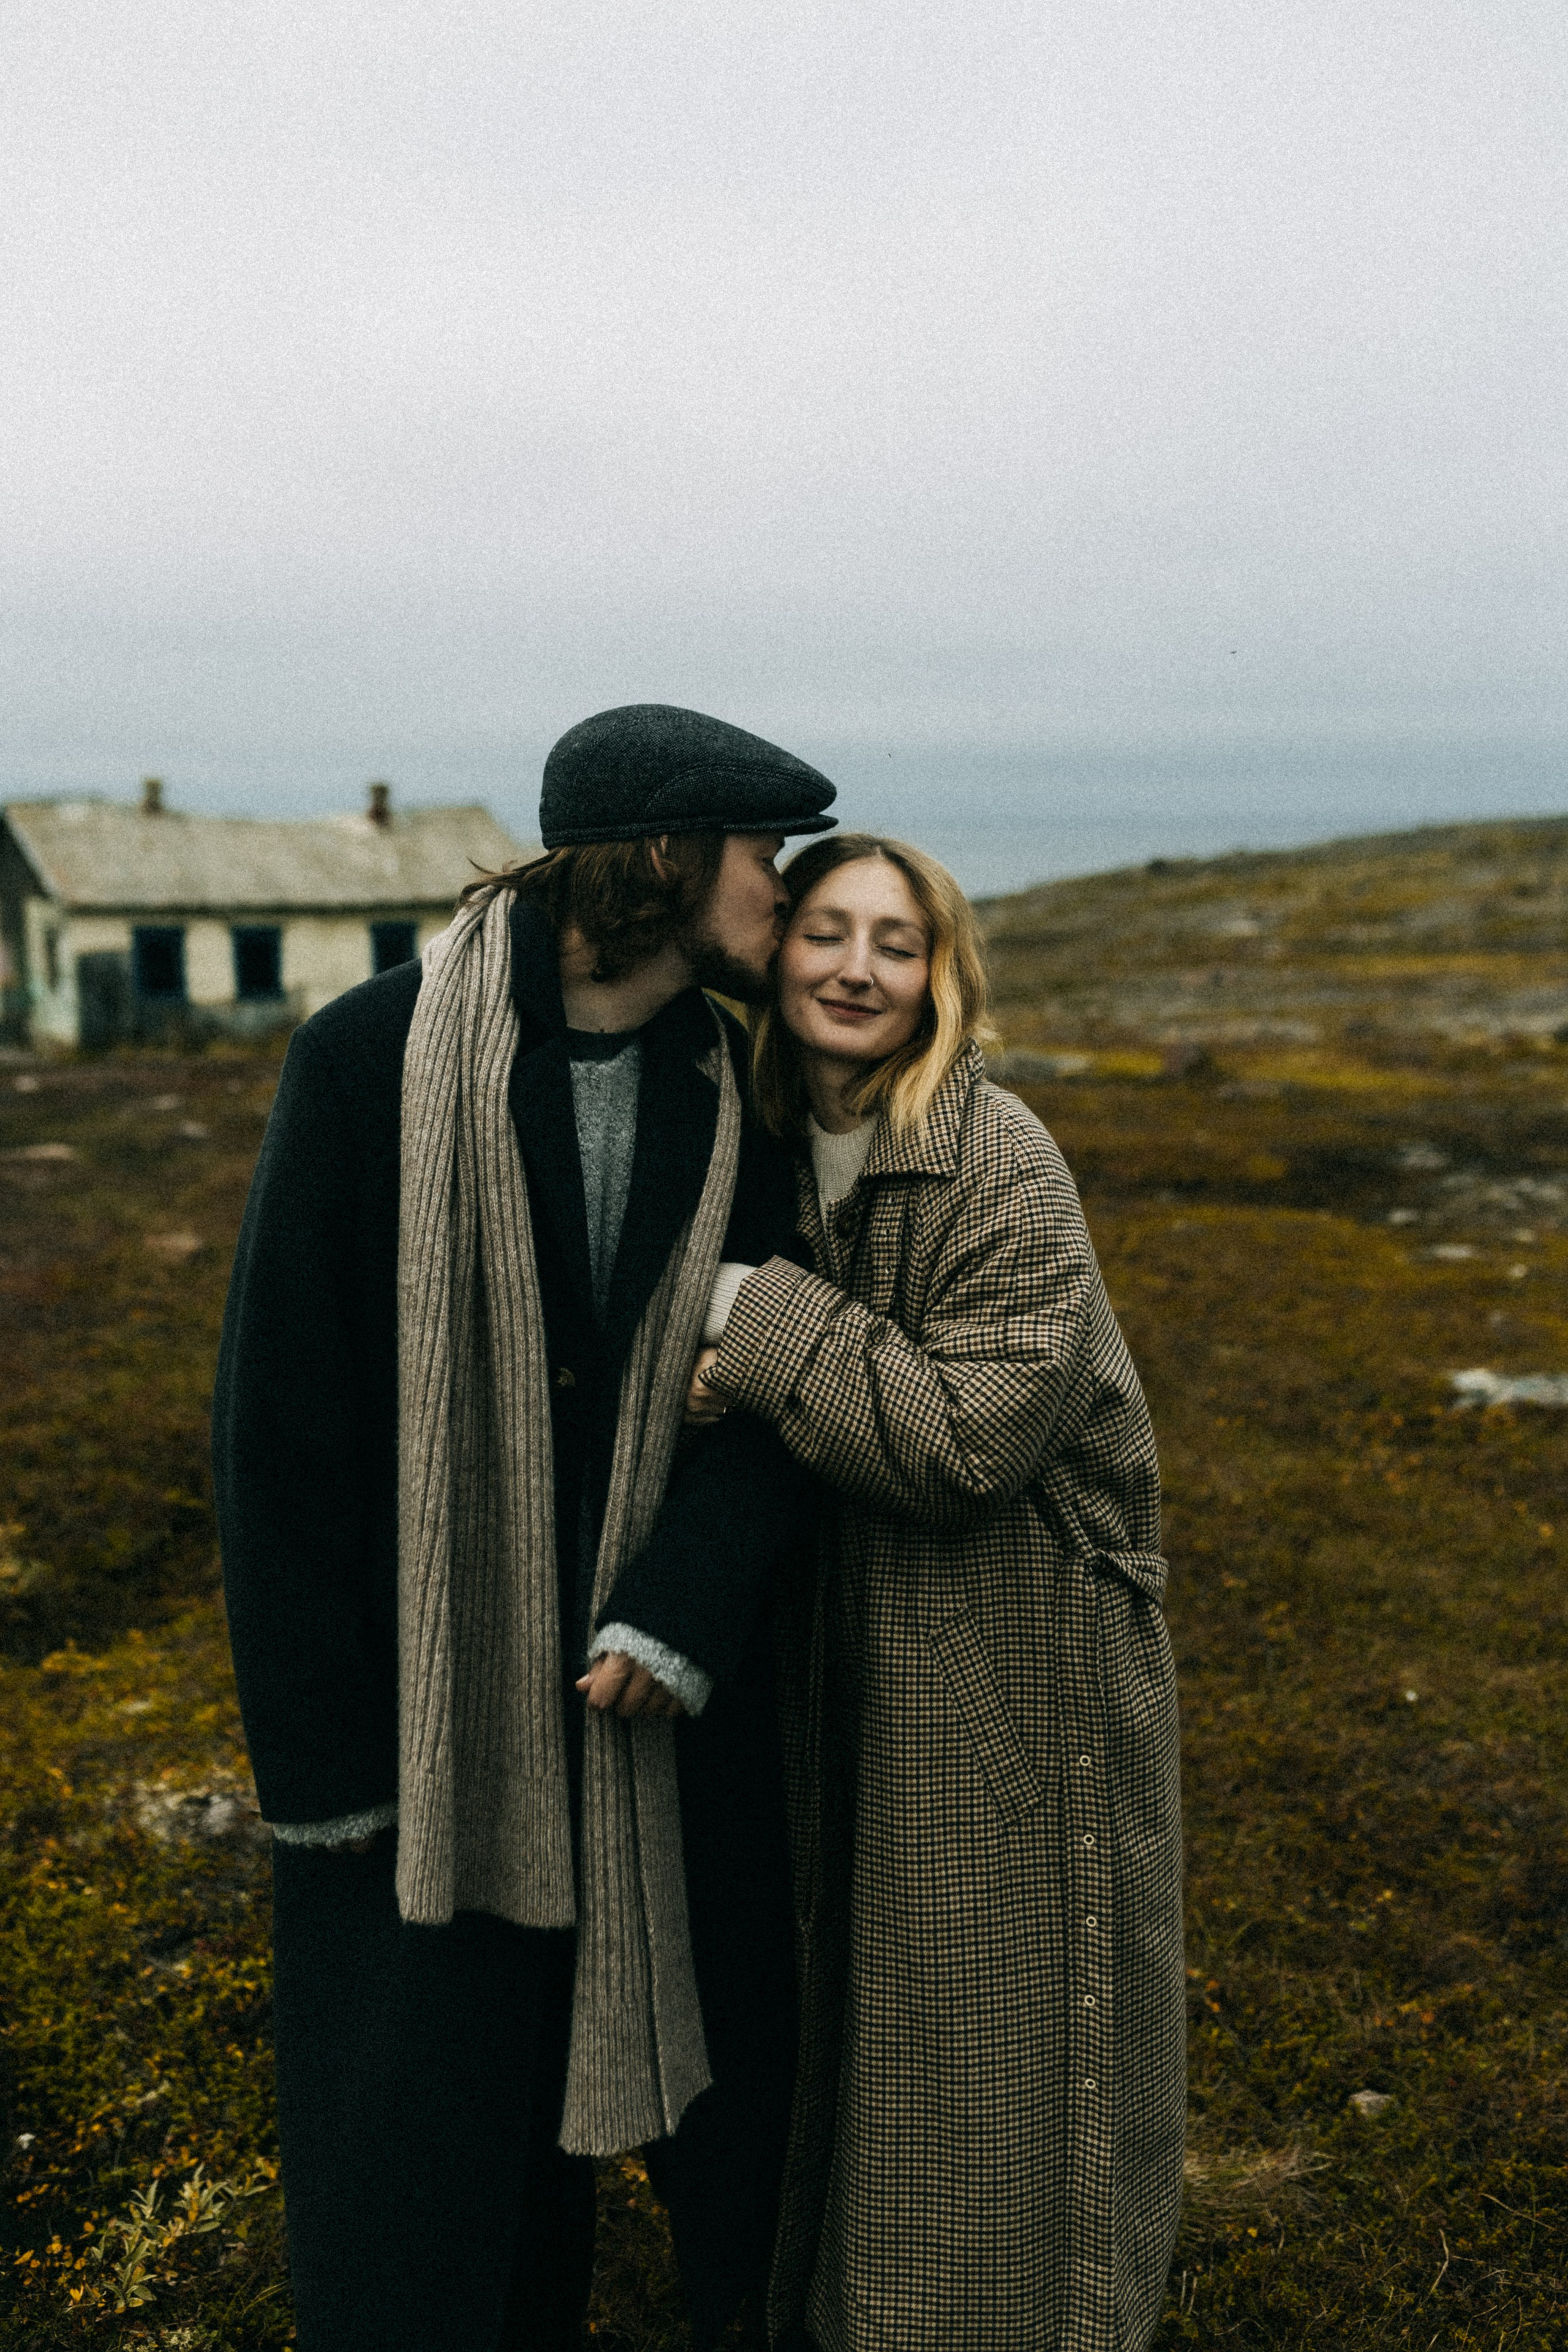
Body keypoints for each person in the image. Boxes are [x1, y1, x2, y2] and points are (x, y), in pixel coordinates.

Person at [212, 704, 836, 2352]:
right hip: (429, 1762)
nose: (781, 889)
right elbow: (283, 1432)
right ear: (658, 860)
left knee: (739, 2194)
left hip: (665, 1748)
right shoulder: (362, 1063)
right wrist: (328, 1786)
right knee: (439, 2210)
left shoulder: (752, 1092)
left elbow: (786, 1389)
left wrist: (683, 1606)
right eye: (759, 855)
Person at [688, 833, 1186, 2352]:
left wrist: (752, 1326)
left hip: (1021, 1649)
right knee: (867, 2012)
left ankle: (1035, 2318)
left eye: (893, 945)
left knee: (1004, 2020)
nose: (853, 968)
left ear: (937, 977)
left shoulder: (995, 1154)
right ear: (774, 955)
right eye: (824, 931)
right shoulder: (755, 1135)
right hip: (845, 1636)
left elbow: (972, 1439)